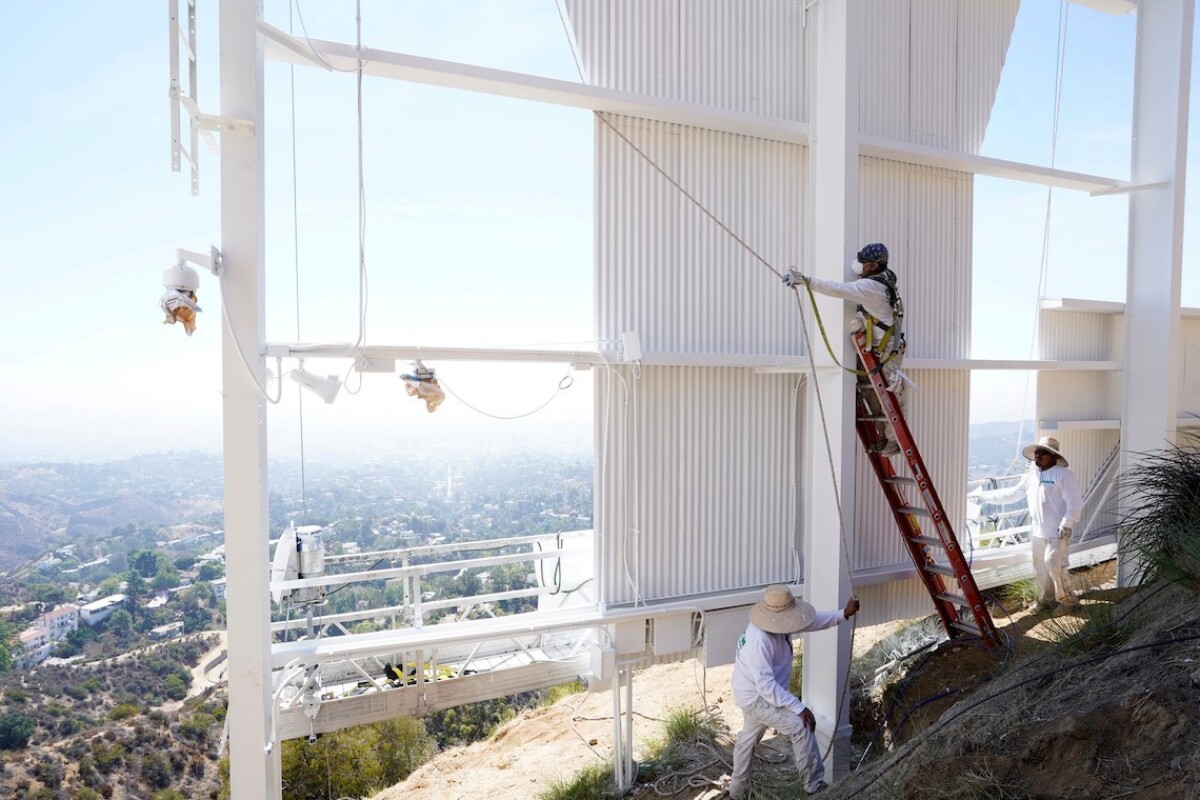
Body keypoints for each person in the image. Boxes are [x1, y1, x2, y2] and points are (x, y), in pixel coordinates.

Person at [723, 585, 860, 799]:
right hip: (757, 697)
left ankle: (737, 792)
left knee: (748, 739)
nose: (793, 622)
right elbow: (766, 687)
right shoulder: (759, 641)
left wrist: (842, 614)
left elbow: (810, 622)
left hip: (753, 691)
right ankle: (814, 787)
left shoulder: (776, 623)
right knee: (801, 726)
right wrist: (799, 708)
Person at [781, 243, 909, 456]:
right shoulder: (884, 277)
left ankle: (893, 441)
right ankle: (884, 437)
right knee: (871, 393)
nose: (858, 266)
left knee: (887, 396)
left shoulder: (871, 287)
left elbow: (837, 289)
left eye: (864, 263)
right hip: (881, 348)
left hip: (886, 352)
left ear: (873, 265)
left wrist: (807, 281)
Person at [971, 436, 1083, 609]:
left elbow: (1075, 502)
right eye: (1037, 452)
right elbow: (1012, 494)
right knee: (1040, 568)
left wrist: (1067, 523)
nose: (1038, 455)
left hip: (1059, 531)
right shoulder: (1031, 476)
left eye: (1043, 453)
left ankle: (1068, 602)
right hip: (1038, 532)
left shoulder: (1064, 475)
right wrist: (985, 498)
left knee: (1054, 565)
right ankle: (1046, 600)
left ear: (1053, 456)